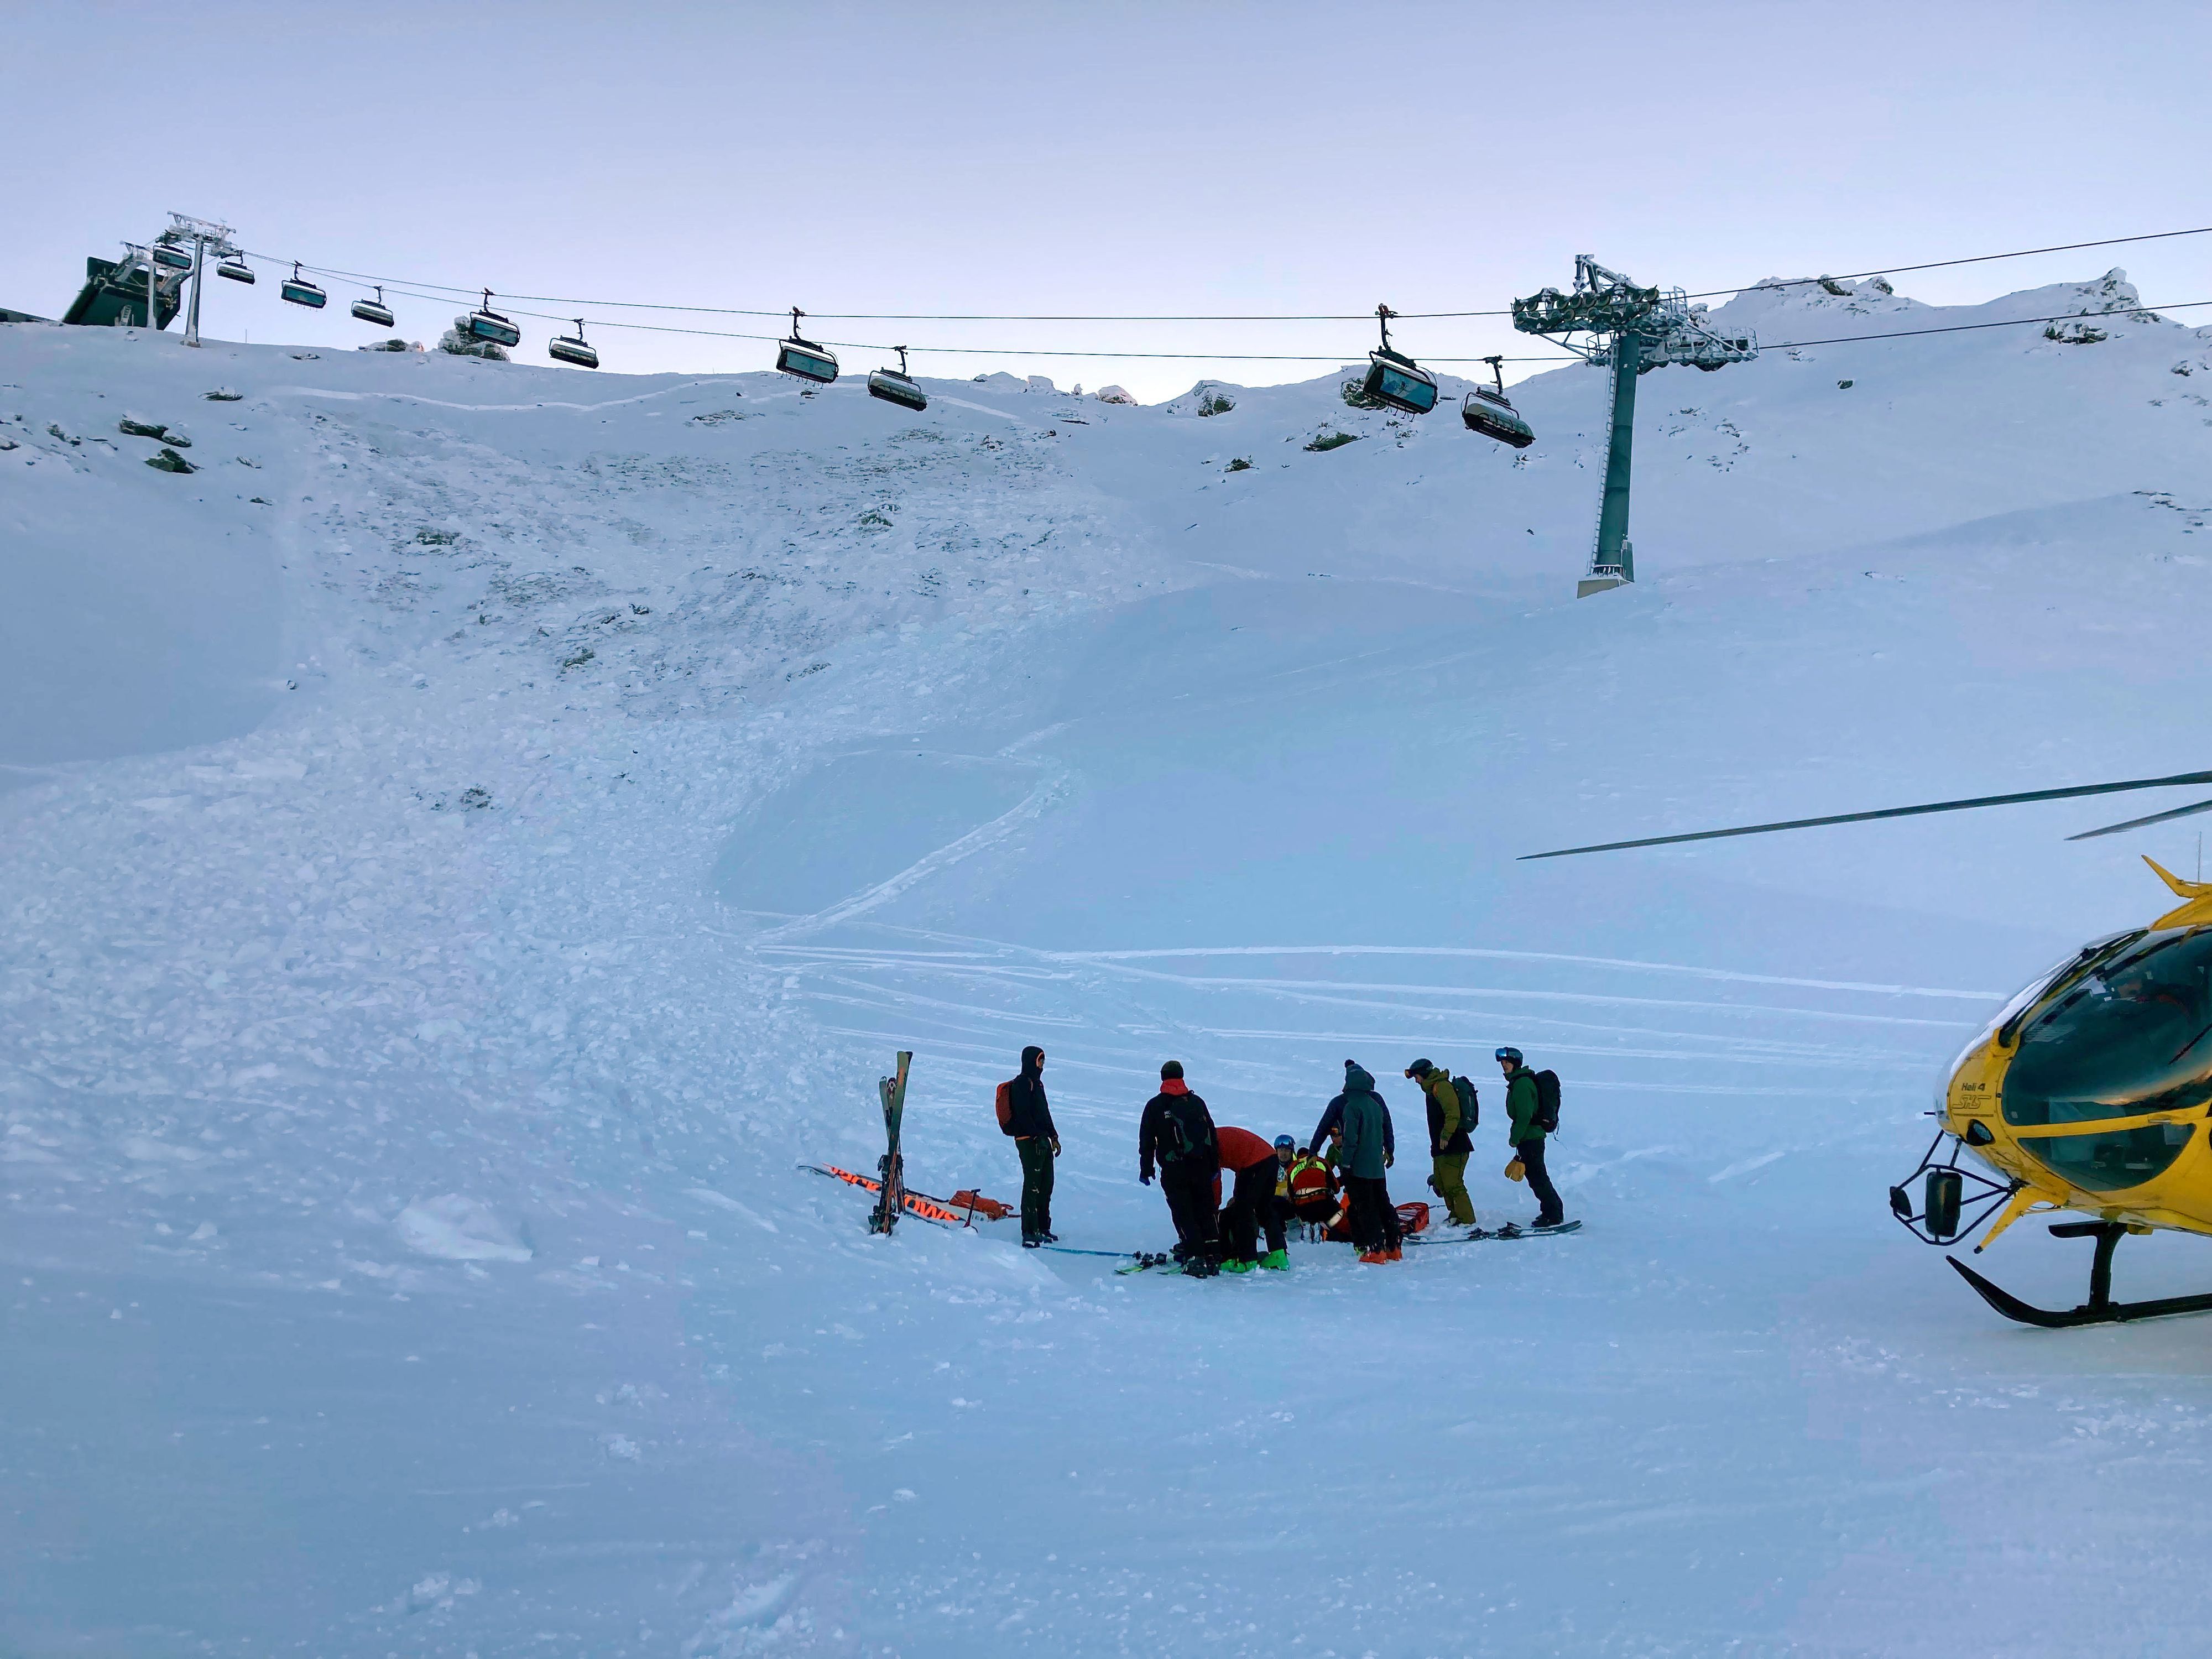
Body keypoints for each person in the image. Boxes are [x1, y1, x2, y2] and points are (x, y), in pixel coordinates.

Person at [1139, 1061, 1222, 1275]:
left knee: (1184, 1211)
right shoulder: (1197, 1102)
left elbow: (1147, 1141)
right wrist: (1214, 1166)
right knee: (1205, 1209)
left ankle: (1195, 1257)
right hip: (1201, 1166)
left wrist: (1146, 1168)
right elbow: (1212, 1135)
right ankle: (1213, 1254)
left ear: (1162, 1078)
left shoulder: (1155, 1106)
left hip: (1174, 1169)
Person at [1336, 1061, 1402, 1262]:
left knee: (1366, 1209)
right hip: (1377, 1168)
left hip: (1360, 1168)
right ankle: (1394, 1247)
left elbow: (1351, 1141)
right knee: (1384, 1205)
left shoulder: (1351, 1107)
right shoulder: (1375, 1105)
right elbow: (1384, 1130)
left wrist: (1345, 1165)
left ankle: (1376, 1250)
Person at [998, 1045, 1060, 1247]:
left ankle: (1043, 1227)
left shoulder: (1038, 1084)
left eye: (1043, 1060)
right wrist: (1036, 1136)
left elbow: (1045, 1112)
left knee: (1046, 1184)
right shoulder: (1023, 1083)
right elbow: (1023, 1114)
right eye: (1040, 1060)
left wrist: (1053, 1136)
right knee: (1033, 1185)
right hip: (1028, 1141)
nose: (1042, 1064)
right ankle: (1029, 1231)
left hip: (1042, 1140)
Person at [1498, 1046, 1565, 1229]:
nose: (1504, 1066)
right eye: (1503, 1063)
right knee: (1536, 1176)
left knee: (1538, 1177)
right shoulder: (1519, 1081)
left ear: (1516, 1064)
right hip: (1530, 1137)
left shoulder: (1521, 1084)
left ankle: (1553, 1214)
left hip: (1531, 1138)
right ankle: (1551, 1211)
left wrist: (1515, 1138)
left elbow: (1525, 1115)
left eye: (1507, 1063)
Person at [1407, 1059, 1476, 1227]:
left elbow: (1453, 1113)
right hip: (1441, 1146)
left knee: (1454, 1184)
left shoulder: (1442, 1087)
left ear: (1423, 1074)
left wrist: (1445, 1135)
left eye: (1417, 1076)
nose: (1416, 1081)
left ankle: (1467, 1220)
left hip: (1454, 1144)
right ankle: (1455, 1214)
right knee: (1443, 1183)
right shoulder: (1431, 1090)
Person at [1215, 1125, 1292, 1271]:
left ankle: (1247, 1259)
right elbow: (1241, 1167)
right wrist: (1237, 1196)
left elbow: (1215, 1178)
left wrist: (1214, 1205)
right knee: (1264, 1208)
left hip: (1256, 1163)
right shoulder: (1214, 1136)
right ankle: (1279, 1254)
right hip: (1269, 1159)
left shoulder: (1207, 1145)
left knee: (1243, 1211)